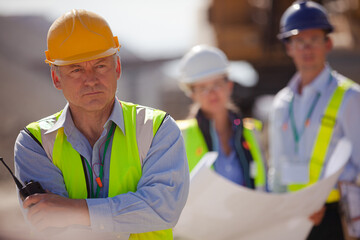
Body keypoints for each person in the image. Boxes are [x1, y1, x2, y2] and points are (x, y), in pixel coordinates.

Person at [13, 9, 189, 240]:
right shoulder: (34, 142)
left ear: (117, 68)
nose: (91, 79)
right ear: (57, 78)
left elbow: (162, 209)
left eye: (100, 65)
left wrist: (73, 210)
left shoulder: (158, 128)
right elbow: (51, 226)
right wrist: (132, 211)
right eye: (75, 69)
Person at [268, 1, 360, 239]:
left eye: (314, 40)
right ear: (288, 47)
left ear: (328, 43)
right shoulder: (280, 104)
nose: (306, 48)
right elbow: (276, 169)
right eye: (299, 41)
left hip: (336, 217)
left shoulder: (350, 98)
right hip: (291, 218)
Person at [176, 44, 266, 190]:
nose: (212, 93)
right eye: (203, 88)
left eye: (217, 84)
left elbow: (263, 185)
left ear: (229, 86)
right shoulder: (180, 136)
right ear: (192, 94)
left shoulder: (251, 133)